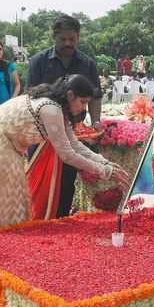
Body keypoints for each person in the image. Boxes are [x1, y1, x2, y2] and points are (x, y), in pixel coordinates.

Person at [0, 75, 129, 235]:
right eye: (83, 102)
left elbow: (74, 145)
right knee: (5, 203)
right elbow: (67, 154)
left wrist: (106, 163)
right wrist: (104, 171)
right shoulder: (51, 108)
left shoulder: (56, 107)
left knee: (11, 201)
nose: (83, 108)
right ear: (71, 95)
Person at [26, 14, 103, 218]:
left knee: (68, 177)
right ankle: (37, 221)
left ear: (78, 37)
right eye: (63, 39)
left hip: (73, 128)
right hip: (41, 133)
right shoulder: (38, 61)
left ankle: (61, 220)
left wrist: (96, 121)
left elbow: (96, 96)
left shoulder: (87, 63)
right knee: (39, 179)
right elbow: (31, 95)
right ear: (55, 37)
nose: (68, 43)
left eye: (72, 39)